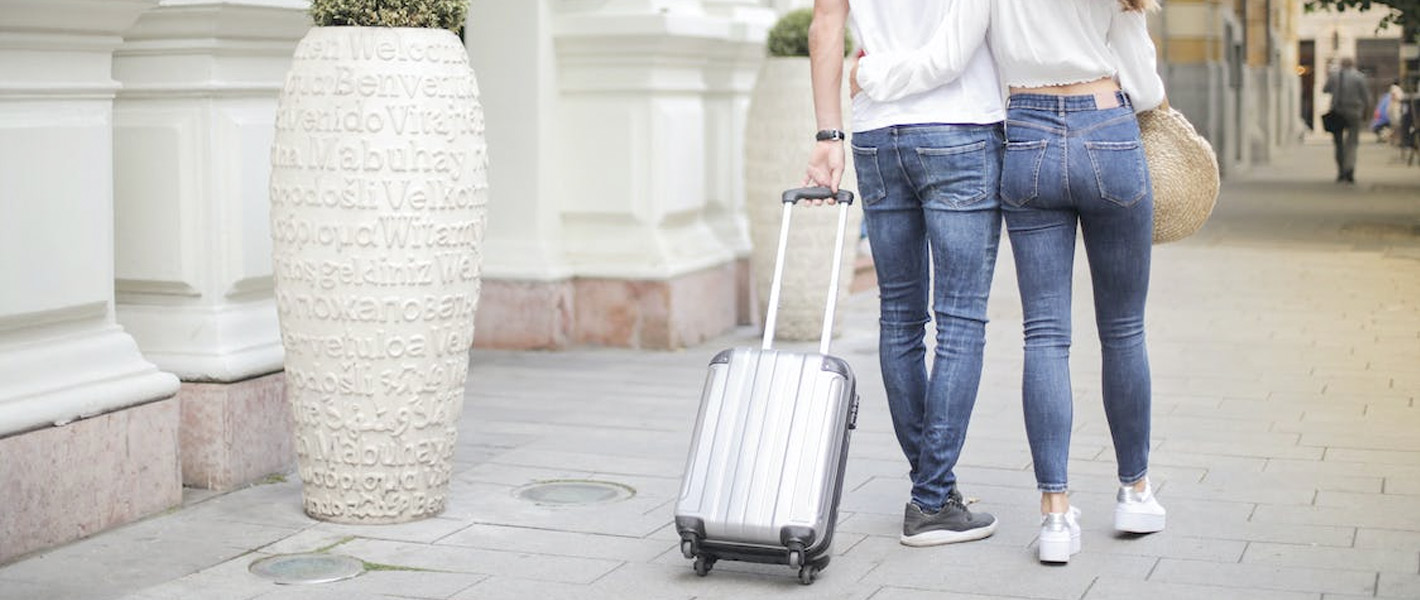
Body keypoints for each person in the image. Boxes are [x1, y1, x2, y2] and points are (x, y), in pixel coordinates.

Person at [854, 0, 1169, 563]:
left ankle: (1054, 516)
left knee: (1045, 334)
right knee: (1123, 329)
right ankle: (1135, 492)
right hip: (1107, 124)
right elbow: (1144, 87)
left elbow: (948, 57)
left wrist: (868, 72)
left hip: (1027, 137)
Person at [803, 0, 1003, 547]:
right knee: (960, 321)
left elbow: (825, 27)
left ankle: (932, 490)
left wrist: (828, 137)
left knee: (900, 318)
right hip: (961, 124)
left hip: (877, 131)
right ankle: (933, 499)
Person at [1323, 57, 1372, 183]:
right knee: (1352, 142)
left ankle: (1341, 171)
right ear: (1353, 64)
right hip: (1354, 112)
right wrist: (1367, 113)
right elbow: (1366, 98)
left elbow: (1325, 90)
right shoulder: (1359, 77)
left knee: (1338, 144)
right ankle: (1349, 169)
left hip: (1337, 112)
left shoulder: (1334, 76)